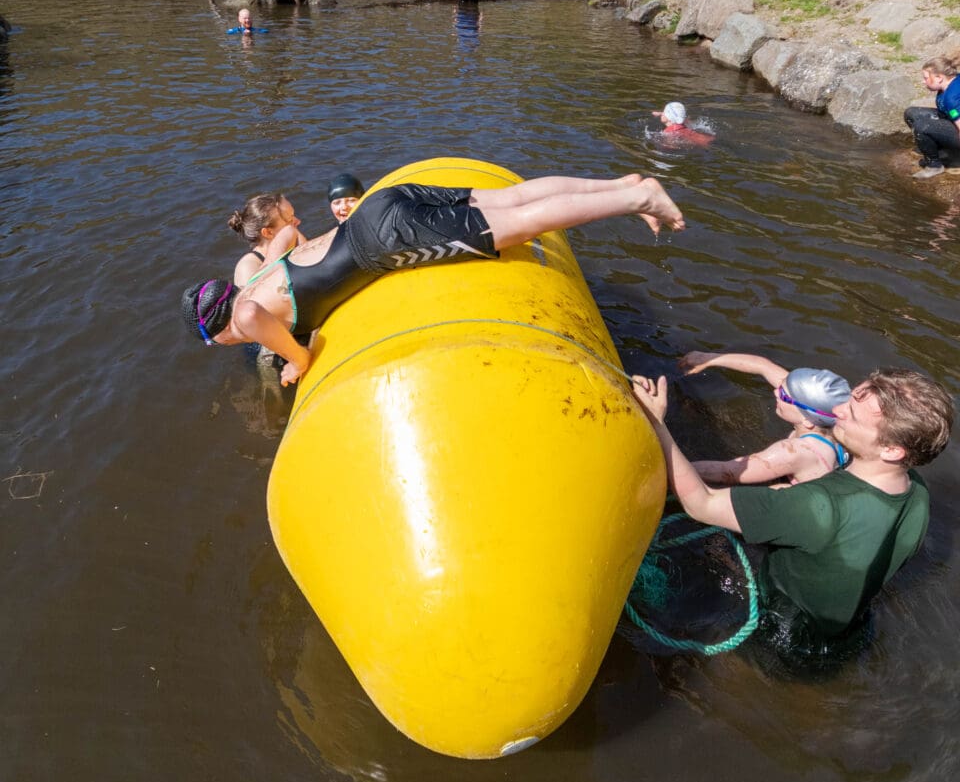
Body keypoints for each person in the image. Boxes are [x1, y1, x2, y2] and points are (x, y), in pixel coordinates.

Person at [183, 174, 685, 387]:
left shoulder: (246, 317)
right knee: (510, 198)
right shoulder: (257, 276)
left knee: (520, 225)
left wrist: (296, 363)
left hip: (387, 240)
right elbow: (288, 233)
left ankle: (637, 199)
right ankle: (622, 185)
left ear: (216, 335)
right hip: (379, 207)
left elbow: (271, 332)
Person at [630, 367, 953, 638]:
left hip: (785, 629)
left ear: (892, 450)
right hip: (846, 626)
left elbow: (702, 503)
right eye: (849, 400)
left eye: (852, 416)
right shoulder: (918, 494)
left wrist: (658, 423)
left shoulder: (819, 505)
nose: (838, 410)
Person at [679, 350, 851, 486]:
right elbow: (762, 366)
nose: (776, 392)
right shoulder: (834, 421)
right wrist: (708, 359)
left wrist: (676, 469)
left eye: (783, 396)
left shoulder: (794, 452)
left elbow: (730, 471)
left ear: (807, 419)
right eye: (782, 386)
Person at [229, 192, 305, 287]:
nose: (298, 221)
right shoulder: (247, 266)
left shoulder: (294, 243)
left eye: (294, 215)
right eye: (290, 220)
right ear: (268, 233)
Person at [903, 55, 960, 178]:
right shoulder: (952, 82)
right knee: (912, 113)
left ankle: (934, 166)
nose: (923, 81)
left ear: (939, 78)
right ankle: (939, 149)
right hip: (951, 120)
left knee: (922, 126)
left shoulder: (952, 99)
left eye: (926, 78)